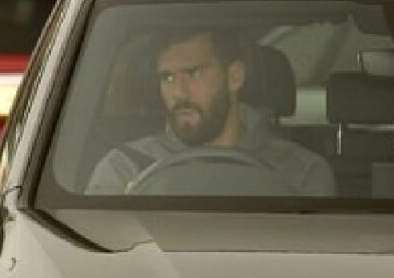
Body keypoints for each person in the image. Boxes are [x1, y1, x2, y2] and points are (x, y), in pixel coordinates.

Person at [86, 28, 335, 196]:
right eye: (168, 77)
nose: (179, 93)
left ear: (235, 77)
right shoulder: (125, 170)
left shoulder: (299, 173)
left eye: (195, 73)